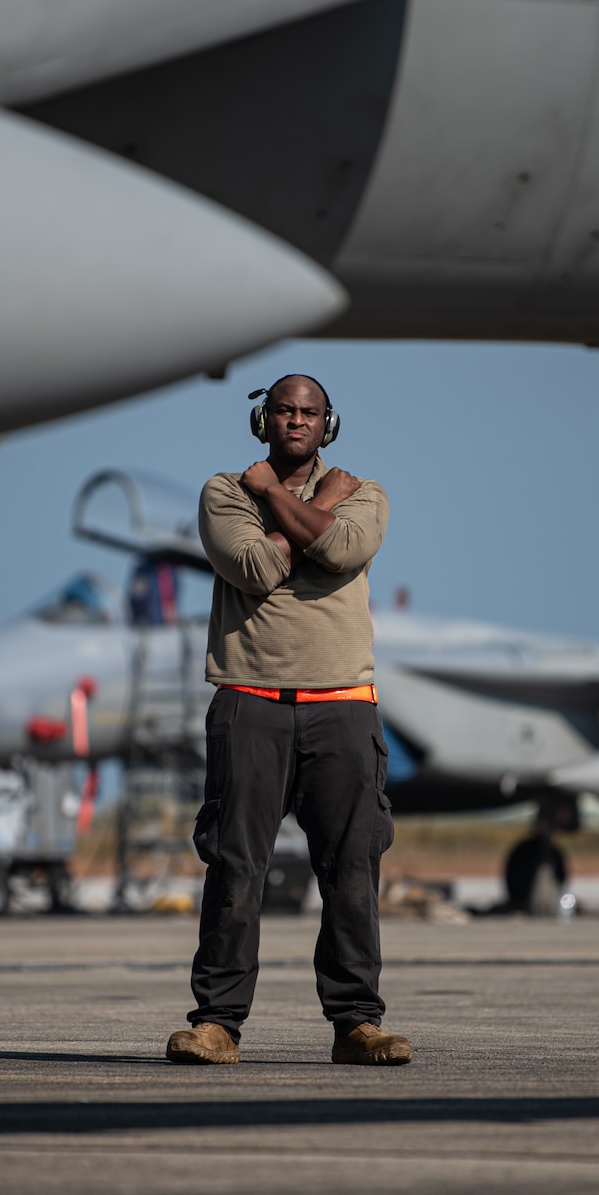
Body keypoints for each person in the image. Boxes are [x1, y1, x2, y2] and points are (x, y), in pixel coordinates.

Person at [166, 374, 409, 1066]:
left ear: (327, 424)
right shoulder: (224, 492)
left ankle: (358, 1023)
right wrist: (297, 504)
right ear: (262, 419)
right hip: (250, 703)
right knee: (236, 867)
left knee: (353, 870)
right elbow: (252, 566)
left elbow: (343, 550)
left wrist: (282, 498)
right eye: (284, 410)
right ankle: (217, 1023)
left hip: (343, 708)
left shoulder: (365, 494)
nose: (296, 420)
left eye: (309, 412)